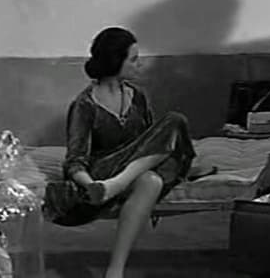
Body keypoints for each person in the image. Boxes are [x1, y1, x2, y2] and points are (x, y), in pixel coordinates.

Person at [44, 27, 212, 278]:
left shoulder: (137, 96)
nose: (139, 64)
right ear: (115, 62)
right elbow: (75, 161)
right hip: (102, 172)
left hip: (126, 175)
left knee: (152, 180)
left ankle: (115, 271)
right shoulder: (84, 105)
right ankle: (113, 184)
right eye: (133, 59)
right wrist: (90, 185)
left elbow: (152, 144)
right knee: (175, 121)